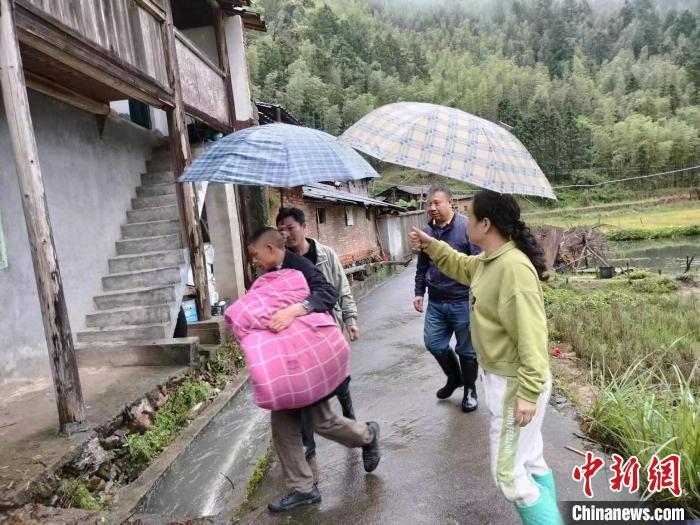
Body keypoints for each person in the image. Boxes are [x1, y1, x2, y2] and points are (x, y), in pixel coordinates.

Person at [409, 190, 563, 525]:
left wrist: (528, 391)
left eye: (470, 213)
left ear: (486, 224)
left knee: (508, 475)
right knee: (531, 461)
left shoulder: (514, 269)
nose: (465, 218)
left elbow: (533, 337)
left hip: (515, 385)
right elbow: (461, 265)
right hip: (507, 380)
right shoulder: (491, 260)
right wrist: (430, 244)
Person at [246, 227, 381, 513]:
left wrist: (294, 310)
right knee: (282, 428)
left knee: (323, 421)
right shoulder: (265, 276)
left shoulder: (301, 266)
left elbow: (327, 293)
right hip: (285, 364)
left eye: (256, 255)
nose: (254, 261)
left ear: (270, 249)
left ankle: (368, 435)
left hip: (308, 360)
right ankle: (303, 488)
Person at [276, 207, 361, 458]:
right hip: (298, 334)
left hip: (327, 328)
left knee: (339, 380)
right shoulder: (281, 262)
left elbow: (341, 287)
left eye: (290, 228)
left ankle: (350, 419)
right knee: (302, 386)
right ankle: (307, 442)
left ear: (304, 227)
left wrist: (351, 318)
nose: (285, 234)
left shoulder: (325, 255)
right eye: (280, 230)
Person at [414, 184, 480, 412]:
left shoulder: (466, 227)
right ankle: (454, 378)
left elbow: (477, 265)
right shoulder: (427, 231)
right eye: (429, 204)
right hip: (436, 302)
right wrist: (418, 292)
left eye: (436, 203)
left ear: (450, 202)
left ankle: (470, 390)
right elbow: (422, 265)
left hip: (462, 300)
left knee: (467, 349)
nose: (431, 208)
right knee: (434, 343)